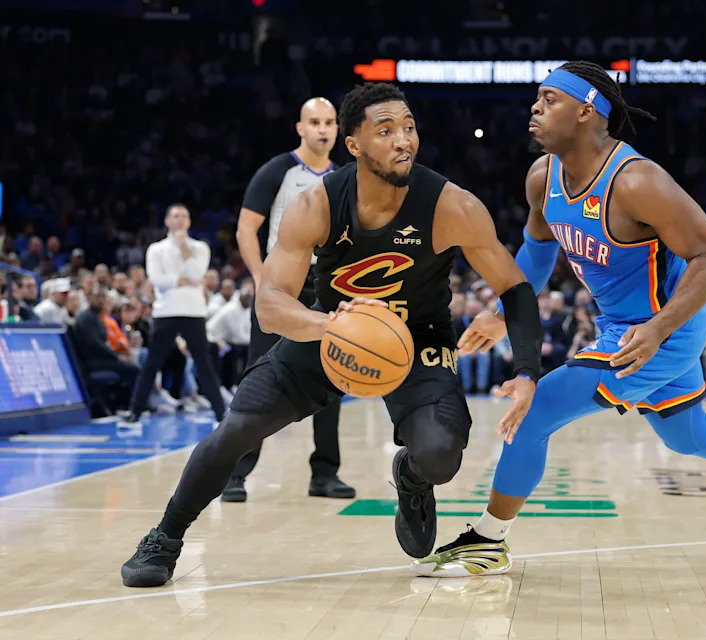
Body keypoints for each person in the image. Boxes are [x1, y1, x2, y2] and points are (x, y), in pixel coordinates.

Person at [414, 61, 706, 578]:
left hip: (661, 331)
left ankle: (487, 543)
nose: (534, 108)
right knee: (688, 434)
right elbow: (537, 254)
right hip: (623, 328)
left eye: (549, 99)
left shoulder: (636, 182)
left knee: (533, 416)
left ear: (586, 112)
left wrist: (659, 327)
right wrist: (500, 314)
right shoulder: (542, 177)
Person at [119, 82, 544, 588]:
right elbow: (272, 305)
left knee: (440, 456)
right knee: (235, 430)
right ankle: (165, 536)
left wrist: (526, 370)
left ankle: (410, 476)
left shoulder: (452, 205)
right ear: (354, 144)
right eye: (385, 130)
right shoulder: (316, 204)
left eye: (408, 128)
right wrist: (332, 326)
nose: (403, 140)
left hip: (420, 337)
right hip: (330, 328)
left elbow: (515, 289)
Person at [224, 97, 352, 502]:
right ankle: (236, 474)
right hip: (280, 288)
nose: (323, 129)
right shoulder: (277, 170)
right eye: (315, 122)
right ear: (300, 127)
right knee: (258, 379)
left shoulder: (347, 176)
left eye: (330, 122)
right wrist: (265, 281)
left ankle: (325, 474)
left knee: (335, 377)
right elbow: (247, 229)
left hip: (328, 288)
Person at [123, 204, 227, 422]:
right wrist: (182, 281)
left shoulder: (200, 248)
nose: (179, 220)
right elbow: (157, 280)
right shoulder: (156, 249)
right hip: (166, 312)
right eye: (175, 216)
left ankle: (220, 412)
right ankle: (135, 410)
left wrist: (184, 251)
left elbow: (198, 274)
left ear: (189, 221)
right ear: (167, 221)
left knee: (203, 363)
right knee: (152, 363)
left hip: (194, 311)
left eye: (184, 216)